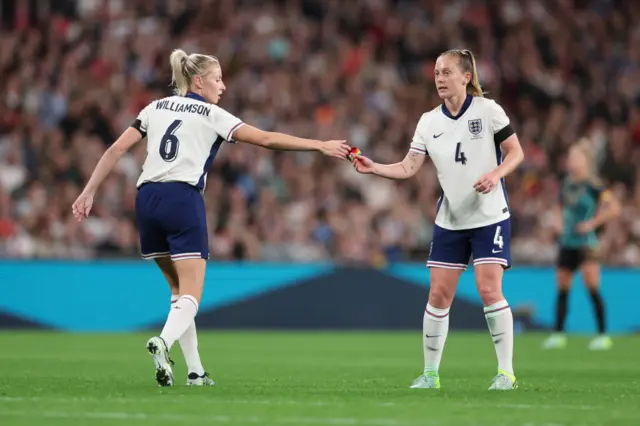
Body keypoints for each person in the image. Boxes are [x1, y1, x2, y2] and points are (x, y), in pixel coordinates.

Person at [72, 49, 349, 387]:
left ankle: (196, 372)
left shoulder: (154, 107)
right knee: (192, 295)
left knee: (177, 290)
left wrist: (88, 191)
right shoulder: (211, 113)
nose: (224, 86)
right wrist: (319, 144)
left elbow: (115, 149)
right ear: (199, 81)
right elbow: (265, 139)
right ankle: (162, 342)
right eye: (218, 79)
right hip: (182, 198)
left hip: (145, 199)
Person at [351, 49, 524, 390]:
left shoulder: (488, 111)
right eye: (436, 73)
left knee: (489, 289)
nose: (440, 79)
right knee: (438, 296)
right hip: (451, 218)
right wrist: (375, 168)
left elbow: (516, 152)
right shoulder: (429, 121)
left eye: (446, 72)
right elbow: (408, 167)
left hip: (489, 215)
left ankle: (506, 373)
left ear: (466, 76)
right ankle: (430, 374)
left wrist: (496, 174)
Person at [542, 139, 620, 351]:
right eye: (570, 157)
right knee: (562, 288)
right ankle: (558, 334)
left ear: (586, 160)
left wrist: (592, 223)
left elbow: (614, 208)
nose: (571, 161)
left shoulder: (594, 185)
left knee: (592, 287)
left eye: (576, 157)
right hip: (567, 241)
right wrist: (557, 223)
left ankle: (603, 335)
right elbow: (558, 207)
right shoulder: (566, 184)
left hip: (586, 243)